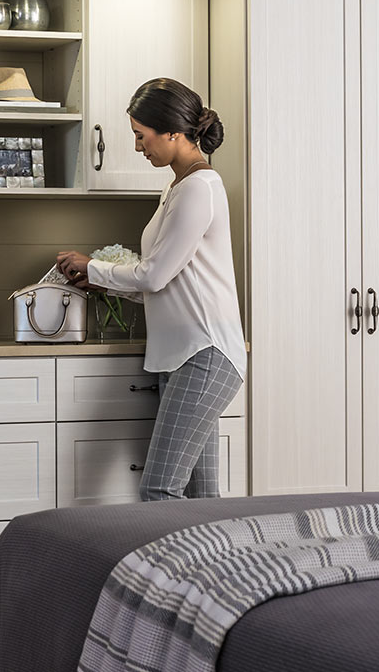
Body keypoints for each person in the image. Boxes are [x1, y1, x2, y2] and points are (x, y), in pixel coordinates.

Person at [56, 77, 246, 500]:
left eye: (141, 136)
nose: (139, 147)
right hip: (185, 355)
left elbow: (154, 274)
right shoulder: (177, 187)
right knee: (201, 497)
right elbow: (162, 284)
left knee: (160, 490)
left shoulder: (198, 188)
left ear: (173, 132)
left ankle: (161, 570)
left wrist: (96, 265)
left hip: (205, 354)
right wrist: (99, 280)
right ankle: (214, 569)